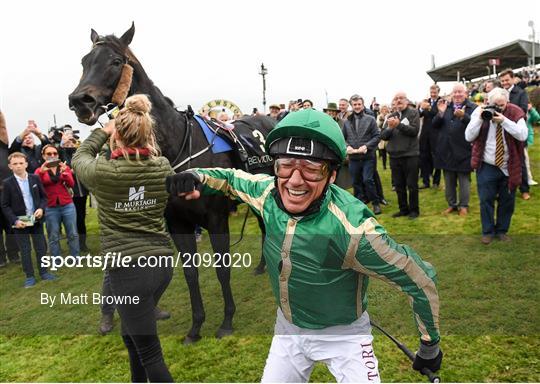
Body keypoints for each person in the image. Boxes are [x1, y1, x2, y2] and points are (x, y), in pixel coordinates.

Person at [166, 108, 442, 383]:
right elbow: (232, 178)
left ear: (332, 176)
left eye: (311, 169)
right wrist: (196, 175)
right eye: (285, 165)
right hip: (288, 332)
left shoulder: (354, 231)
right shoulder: (266, 192)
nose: (295, 181)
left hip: (344, 338)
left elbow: (417, 278)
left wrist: (430, 345)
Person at [72, 94, 174, 382]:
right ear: (147, 133)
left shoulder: (103, 173)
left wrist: (103, 131)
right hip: (161, 265)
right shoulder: (162, 166)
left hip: (128, 271)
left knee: (150, 353)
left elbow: (79, 156)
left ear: (117, 135)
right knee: (132, 337)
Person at [465, 87, 528, 244]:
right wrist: (480, 118)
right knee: (486, 199)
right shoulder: (480, 111)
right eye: (495, 104)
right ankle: (487, 231)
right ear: (488, 101)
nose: (498, 108)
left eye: (501, 105)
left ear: (508, 101)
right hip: (487, 164)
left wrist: (504, 121)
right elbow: (468, 136)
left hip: (509, 164)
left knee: (507, 201)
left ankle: (502, 231)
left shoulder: (515, 112)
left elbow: (522, 134)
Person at [1, 152, 56, 287]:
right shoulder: (7, 184)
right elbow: (5, 205)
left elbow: (43, 197)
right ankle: (29, 276)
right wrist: (14, 220)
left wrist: (41, 209)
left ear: (26, 164)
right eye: (15, 164)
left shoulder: (35, 178)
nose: (18, 166)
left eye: (21, 163)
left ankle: (44, 272)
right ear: (10, 166)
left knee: (41, 247)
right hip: (20, 221)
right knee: (25, 250)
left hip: (35, 219)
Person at [432, 84, 477, 216]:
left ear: (466, 93)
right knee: (449, 181)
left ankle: (463, 205)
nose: (457, 95)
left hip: (464, 150)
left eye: (460, 92)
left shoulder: (472, 108)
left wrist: (464, 117)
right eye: (455, 92)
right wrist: (440, 113)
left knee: (464, 181)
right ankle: (452, 204)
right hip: (446, 151)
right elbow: (435, 125)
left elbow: (476, 126)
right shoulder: (446, 107)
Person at [381, 91, 421, 219]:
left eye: (401, 98)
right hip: (394, 156)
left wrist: (399, 125)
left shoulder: (413, 113)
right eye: (396, 98)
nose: (399, 100)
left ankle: (414, 210)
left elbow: (414, 131)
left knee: (412, 185)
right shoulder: (391, 115)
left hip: (410, 155)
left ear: (406, 100)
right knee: (399, 185)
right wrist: (390, 127)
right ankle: (403, 209)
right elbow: (383, 136)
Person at [35, 144, 80, 258]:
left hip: (67, 204)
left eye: (55, 153)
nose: (52, 155)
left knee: (73, 233)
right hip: (50, 206)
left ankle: (75, 257)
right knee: (53, 235)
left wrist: (65, 173)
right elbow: (36, 187)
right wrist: (41, 172)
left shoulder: (64, 167)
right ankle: (56, 259)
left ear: (58, 155)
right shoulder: (39, 170)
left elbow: (71, 184)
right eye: (49, 154)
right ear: (43, 156)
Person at [342, 95, 382, 214]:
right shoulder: (347, 121)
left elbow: (377, 136)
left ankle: (376, 203)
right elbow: (342, 138)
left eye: (359, 104)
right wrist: (347, 146)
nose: (357, 106)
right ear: (352, 106)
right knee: (355, 182)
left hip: (367, 157)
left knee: (368, 180)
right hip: (353, 158)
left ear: (363, 105)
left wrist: (366, 146)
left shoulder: (370, 119)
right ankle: (359, 204)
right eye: (355, 105)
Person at [499, 68, 530, 200]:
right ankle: (504, 188)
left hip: (516, 132)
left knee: (520, 161)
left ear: (512, 79)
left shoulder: (521, 93)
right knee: (502, 160)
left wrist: (509, 116)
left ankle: (524, 189)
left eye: (507, 80)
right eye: (502, 81)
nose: (505, 82)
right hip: (501, 132)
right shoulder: (499, 93)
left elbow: (523, 110)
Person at [58, 131, 90, 253]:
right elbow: (58, 157)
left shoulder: (79, 153)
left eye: (72, 141)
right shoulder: (62, 153)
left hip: (82, 192)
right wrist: (63, 143)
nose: (70, 143)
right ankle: (73, 242)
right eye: (68, 141)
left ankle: (82, 244)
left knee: (80, 219)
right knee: (71, 220)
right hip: (69, 192)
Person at [0, 111, 20, 267]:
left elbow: (2, 127)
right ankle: (1, 258)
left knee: (10, 224)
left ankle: (13, 254)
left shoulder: (2, 145)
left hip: (6, 191)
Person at [418, 84, 442, 189]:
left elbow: (438, 115)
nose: (432, 94)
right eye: (431, 92)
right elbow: (419, 115)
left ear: (438, 92)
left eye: (434, 92)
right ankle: (425, 181)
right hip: (425, 135)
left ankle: (436, 182)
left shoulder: (442, 102)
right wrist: (421, 109)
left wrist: (429, 108)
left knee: (436, 158)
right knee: (424, 158)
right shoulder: (425, 101)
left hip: (437, 134)